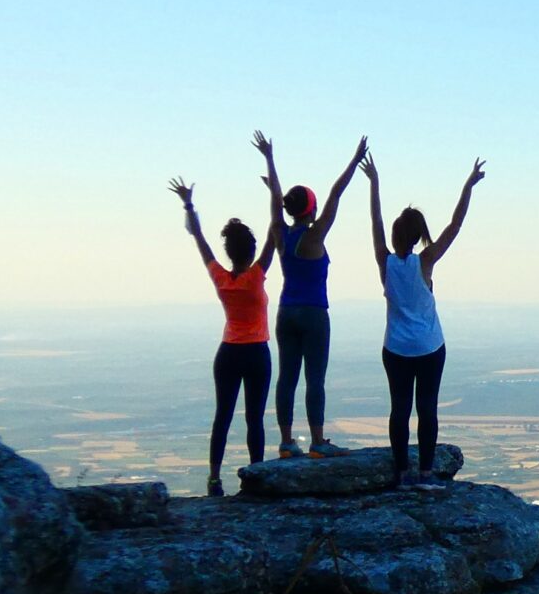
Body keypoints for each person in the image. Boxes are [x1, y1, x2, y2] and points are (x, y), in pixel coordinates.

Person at [362, 149, 485, 487]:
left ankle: (401, 472)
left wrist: (374, 183)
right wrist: (468, 185)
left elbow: (375, 222)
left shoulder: (385, 263)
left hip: (396, 348)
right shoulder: (425, 261)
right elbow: (455, 226)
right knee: (427, 408)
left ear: (395, 235)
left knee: (399, 410)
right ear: (417, 236)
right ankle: (426, 473)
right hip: (430, 347)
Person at [252, 129, 368, 459]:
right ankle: (317, 442)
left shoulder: (280, 232)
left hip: (286, 312)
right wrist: (354, 160)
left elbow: (276, 201)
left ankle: (287, 442)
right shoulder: (314, 237)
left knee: (287, 377)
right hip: (314, 313)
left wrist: (270, 159)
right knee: (315, 378)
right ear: (311, 210)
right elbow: (337, 193)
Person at [168, 167, 281, 497]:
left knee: (223, 417)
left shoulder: (221, 277)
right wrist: (274, 190)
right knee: (255, 419)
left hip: (228, 352)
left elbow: (201, 241)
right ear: (250, 252)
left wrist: (189, 206)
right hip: (257, 352)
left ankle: (214, 479)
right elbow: (276, 231)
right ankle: (256, 475)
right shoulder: (256, 275)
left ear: (231, 252)